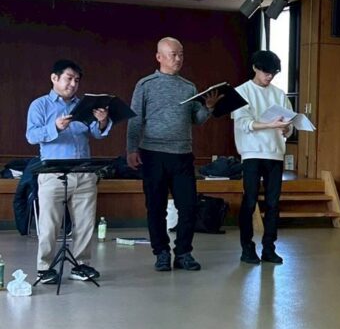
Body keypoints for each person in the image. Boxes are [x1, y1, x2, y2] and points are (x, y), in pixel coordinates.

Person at [126, 37, 221, 272]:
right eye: (173, 54)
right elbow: (135, 120)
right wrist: (131, 149)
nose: (178, 59)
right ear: (159, 57)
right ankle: (161, 252)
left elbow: (197, 119)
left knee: (188, 206)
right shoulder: (145, 85)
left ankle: (183, 253)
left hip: (182, 154)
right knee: (155, 207)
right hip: (153, 154)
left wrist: (209, 108)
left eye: (180, 54)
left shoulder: (189, 87)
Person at [26, 59, 111, 284]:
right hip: (52, 173)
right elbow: (31, 136)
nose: (73, 84)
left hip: (84, 172)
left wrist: (102, 122)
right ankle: (44, 268)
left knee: (85, 223)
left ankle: (81, 265)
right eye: (69, 78)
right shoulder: (40, 105)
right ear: (54, 78)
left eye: (77, 80)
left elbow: (97, 134)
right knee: (49, 224)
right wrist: (55, 126)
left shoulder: (83, 106)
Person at [232, 50, 292, 265]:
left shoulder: (279, 94)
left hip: (275, 153)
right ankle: (247, 248)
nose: (270, 76)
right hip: (252, 153)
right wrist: (270, 124)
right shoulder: (241, 91)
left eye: (273, 73)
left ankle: (269, 248)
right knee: (250, 201)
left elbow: (289, 124)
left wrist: (286, 129)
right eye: (266, 72)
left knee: (273, 203)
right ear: (255, 68)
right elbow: (243, 123)